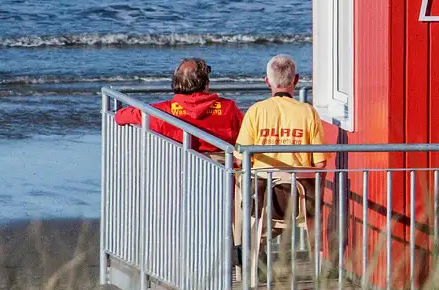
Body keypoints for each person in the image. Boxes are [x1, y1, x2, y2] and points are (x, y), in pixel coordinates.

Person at [234, 54, 329, 261]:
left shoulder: (255, 111)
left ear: (267, 81)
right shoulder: (308, 112)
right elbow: (320, 162)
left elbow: (241, 159)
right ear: (295, 81)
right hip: (301, 202)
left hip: (263, 200)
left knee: (242, 188)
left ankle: (248, 247)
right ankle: (316, 265)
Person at [115, 58, 243, 153]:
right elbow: (248, 135)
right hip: (222, 175)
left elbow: (120, 116)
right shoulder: (228, 108)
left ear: (176, 82)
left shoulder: (162, 112)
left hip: (177, 172)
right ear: (206, 83)